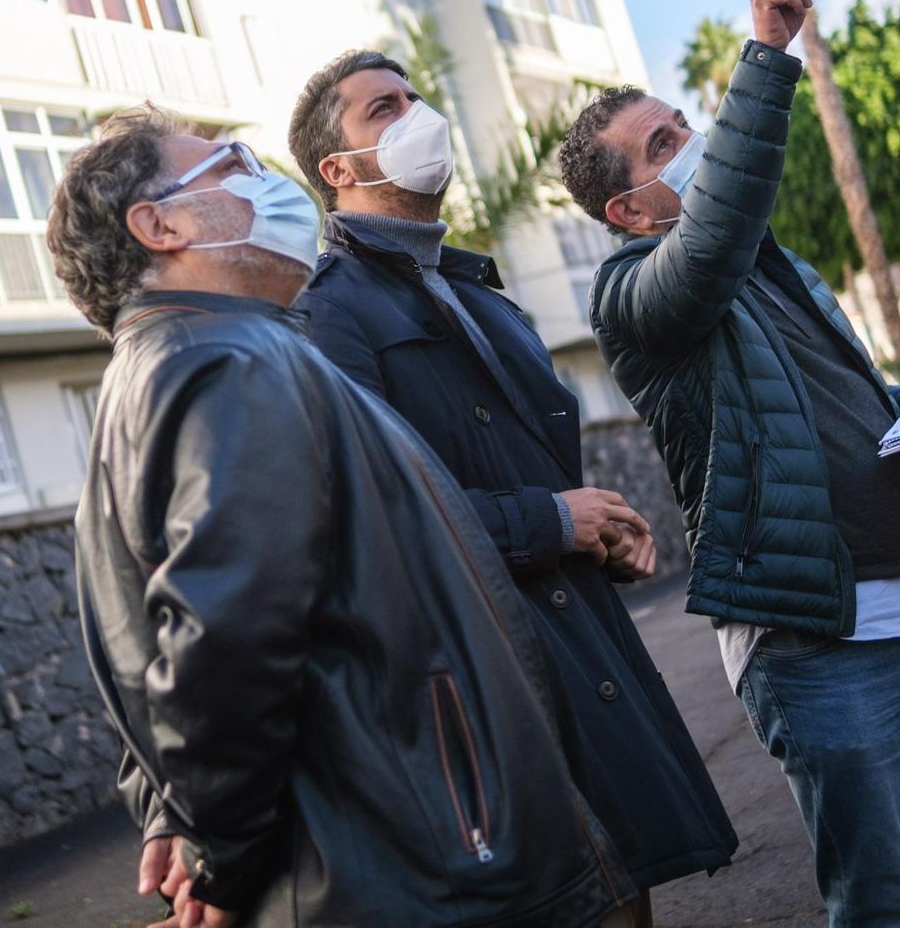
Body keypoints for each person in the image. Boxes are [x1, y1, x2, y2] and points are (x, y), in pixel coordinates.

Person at [46, 108, 635, 928]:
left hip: (404, 861)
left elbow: (151, 641)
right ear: (159, 224)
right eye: (229, 164)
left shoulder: (185, 361)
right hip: (430, 865)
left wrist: (173, 812)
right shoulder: (220, 361)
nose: (261, 179)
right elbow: (226, 640)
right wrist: (216, 852)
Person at [554, 0, 900, 927]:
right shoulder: (633, 294)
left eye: (681, 119)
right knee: (881, 906)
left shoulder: (771, 263)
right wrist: (765, 49)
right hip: (816, 646)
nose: (694, 139)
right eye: (666, 144)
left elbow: (818, 404)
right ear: (628, 210)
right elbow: (709, 237)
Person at [286, 50, 738, 925]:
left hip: (574, 634)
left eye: (417, 95)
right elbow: (371, 514)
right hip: (484, 670)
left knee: (625, 891)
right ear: (337, 171)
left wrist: (596, 529)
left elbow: (524, 468)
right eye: (384, 108)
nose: (419, 116)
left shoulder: (475, 287)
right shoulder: (328, 312)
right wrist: (548, 520)